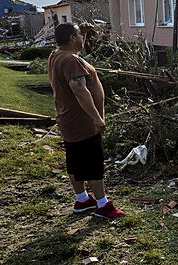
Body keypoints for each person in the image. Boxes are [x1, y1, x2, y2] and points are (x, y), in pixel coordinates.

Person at [48, 23, 124, 219]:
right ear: (73, 38)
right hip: (83, 122)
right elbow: (80, 90)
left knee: (75, 161)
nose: (82, 37)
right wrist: (97, 118)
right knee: (92, 162)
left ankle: (82, 200)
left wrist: (85, 30)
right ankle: (102, 205)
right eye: (80, 34)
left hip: (68, 119)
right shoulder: (71, 61)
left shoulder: (56, 56)